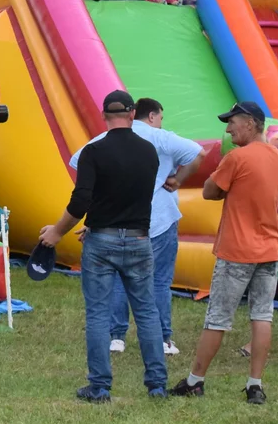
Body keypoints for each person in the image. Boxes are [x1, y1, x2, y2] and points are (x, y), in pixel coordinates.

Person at [40, 90, 167, 402]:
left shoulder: (93, 152)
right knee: (147, 312)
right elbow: (130, 194)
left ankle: (99, 388)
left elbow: (82, 199)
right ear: (133, 112)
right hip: (139, 238)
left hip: (101, 241)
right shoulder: (149, 151)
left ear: (103, 116)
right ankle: (157, 385)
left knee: (98, 313)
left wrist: (57, 232)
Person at [170, 101, 278, 405]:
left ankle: (195, 381)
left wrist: (224, 183)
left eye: (232, 122)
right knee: (262, 315)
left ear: (250, 123)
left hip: (237, 249)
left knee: (218, 317)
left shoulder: (236, 157)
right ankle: (255, 385)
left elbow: (210, 191)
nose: (227, 129)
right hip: (270, 248)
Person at [68, 97, 206, 356]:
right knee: (159, 282)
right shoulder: (160, 137)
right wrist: (177, 180)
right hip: (158, 219)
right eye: (161, 117)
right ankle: (163, 339)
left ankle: (116, 336)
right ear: (150, 116)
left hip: (117, 221)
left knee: (118, 278)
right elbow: (199, 152)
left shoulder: (101, 141)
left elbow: (78, 162)